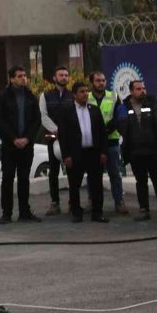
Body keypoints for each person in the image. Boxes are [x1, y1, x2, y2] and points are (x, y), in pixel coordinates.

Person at [0, 66, 42, 224]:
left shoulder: (30, 96)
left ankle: (24, 211)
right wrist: (13, 138)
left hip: (26, 146)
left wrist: (27, 138)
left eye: (25, 75)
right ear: (12, 79)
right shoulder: (4, 96)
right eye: (20, 76)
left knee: (24, 178)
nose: (23, 78)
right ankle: (6, 213)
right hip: (9, 145)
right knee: (7, 178)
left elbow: (36, 120)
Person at [118, 80, 157, 222]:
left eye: (143, 88)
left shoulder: (153, 104)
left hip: (154, 151)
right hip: (136, 153)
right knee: (140, 182)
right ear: (131, 91)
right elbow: (120, 124)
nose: (142, 91)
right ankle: (143, 209)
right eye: (138, 89)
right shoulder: (124, 107)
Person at [58, 81, 108, 223]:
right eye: (82, 91)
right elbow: (63, 135)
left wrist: (103, 152)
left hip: (93, 152)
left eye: (87, 91)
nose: (85, 94)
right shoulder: (67, 111)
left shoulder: (94, 109)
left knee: (96, 184)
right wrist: (66, 155)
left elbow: (102, 132)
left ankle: (97, 212)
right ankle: (76, 212)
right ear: (74, 94)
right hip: (75, 154)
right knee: (75, 184)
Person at [88, 71, 128, 214]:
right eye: (98, 80)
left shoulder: (114, 96)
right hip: (92, 142)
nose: (101, 83)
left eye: (103, 80)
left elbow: (119, 118)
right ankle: (93, 201)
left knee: (115, 173)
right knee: (93, 174)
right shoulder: (86, 97)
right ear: (92, 82)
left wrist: (104, 131)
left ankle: (119, 202)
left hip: (111, 140)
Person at [38, 66, 72, 216]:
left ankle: (73, 202)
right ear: (54, 78)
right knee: (54, 171)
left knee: (72, 170)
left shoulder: (72, 95)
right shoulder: (45, 96)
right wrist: (56, 131)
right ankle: (54, 203)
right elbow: (43, 116)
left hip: (70, 140)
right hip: (53, 139)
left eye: (66, 75)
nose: (64, 77)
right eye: (61, 75)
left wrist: (66, 132)